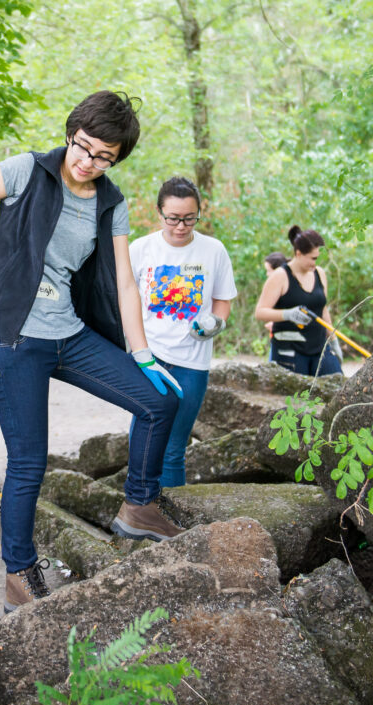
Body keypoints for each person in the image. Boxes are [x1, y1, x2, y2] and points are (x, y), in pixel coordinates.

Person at [0, 91, 183, 614]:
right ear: (70, 134)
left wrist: (142, 354)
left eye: (102, 156)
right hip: (13, 338)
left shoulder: (110, 201)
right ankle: (20, 575)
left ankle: (139, 506)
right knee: (29, 461)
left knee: (159, 403)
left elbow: (125, 282)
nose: (86, 161)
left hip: (68, 334)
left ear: (116, 159)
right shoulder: (27, 171)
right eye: (82, 146)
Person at [129, 177, 237, 488]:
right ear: (159, 213)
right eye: (173, 218)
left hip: (192, 363)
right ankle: (137, 507)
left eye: (190, 218)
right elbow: (125, 300)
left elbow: (222, 302)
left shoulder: (213, 250)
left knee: (174, 449)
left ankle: (170, 517)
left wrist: (215, 323)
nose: (181, 226)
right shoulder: (141, 249)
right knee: (143, 443)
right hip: (148, 359)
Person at [254, 225, 343, 376]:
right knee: (296, 398)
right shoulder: (280, 276)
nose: (315, 263)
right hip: (289, 349)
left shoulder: (319, 274)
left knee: (336, 390)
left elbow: (323, 309)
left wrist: (333, 340)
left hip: (319, 347)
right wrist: (287, 314)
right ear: (298, 253)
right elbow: (260, 312)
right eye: (312, 258)